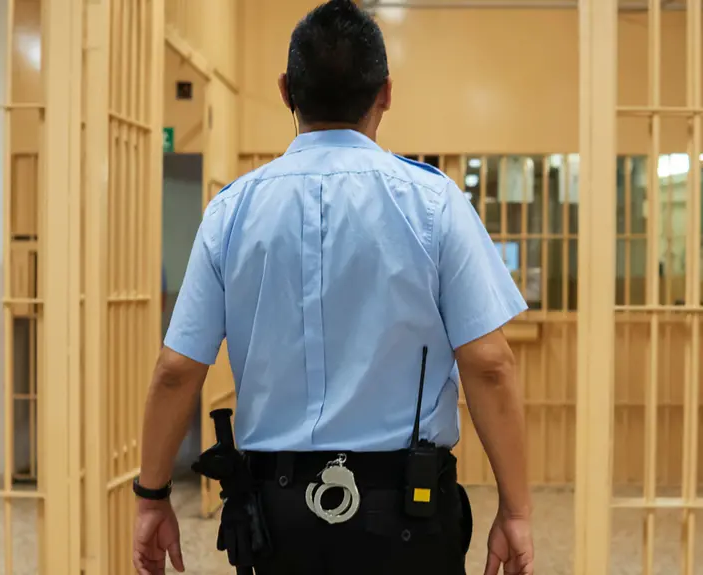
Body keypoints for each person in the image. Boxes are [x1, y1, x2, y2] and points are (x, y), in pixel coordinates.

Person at [131, 1, 534, 574]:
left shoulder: (232, 211)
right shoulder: (435, 203)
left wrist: (152, 496)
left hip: (276, 517)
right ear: (387, 93)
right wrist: (515, 511)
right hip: (408, 515)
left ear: (285, 91)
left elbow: (176, 370)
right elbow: (490, 364)